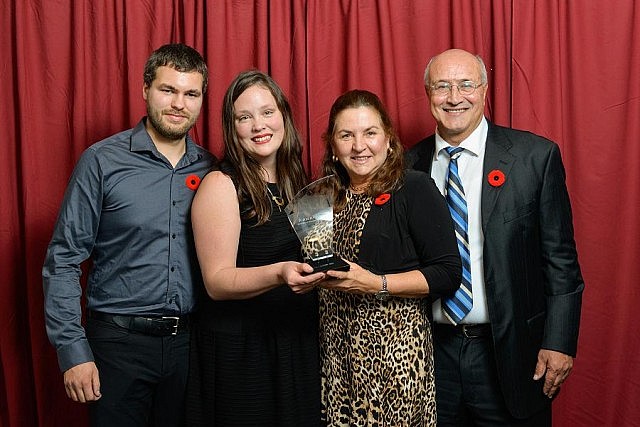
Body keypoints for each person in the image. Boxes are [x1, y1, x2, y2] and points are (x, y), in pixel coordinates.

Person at [407, 48, 584, 426]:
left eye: (466, 84)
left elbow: (562, 264)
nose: (455, 97)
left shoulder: (534, 157)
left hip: (510, 353)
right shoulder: (408, 167)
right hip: (431, 354)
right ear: (428, 95)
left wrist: (559, 342)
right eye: (442, 86)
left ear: (485, 91)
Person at [42, 43, 215, 427]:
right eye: (168, 90)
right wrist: (73, 351)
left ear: (202, 100)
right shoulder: (102, 161)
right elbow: (64, 258)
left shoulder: (212, 170)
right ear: (145, 90)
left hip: (191, 347)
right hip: (117, 345)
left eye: (191, 93)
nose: (178, 104)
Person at [186, 70, 325, 426]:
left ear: (283, 116)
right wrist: (280, 272)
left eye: (266, 112)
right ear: (232, 129)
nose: (258, 125)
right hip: (244, 353)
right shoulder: (220, 184)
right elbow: (216, 282)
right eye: (244, 117)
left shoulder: (297, 180)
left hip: (295, 343)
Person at [318, 89, 462, 425]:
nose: (359, 146)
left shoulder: (413, 188)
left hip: (394, 363)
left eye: (370, 133)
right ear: (334, 147)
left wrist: (375, 284)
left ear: (388, 140)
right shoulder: (322, 195)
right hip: (336, 359)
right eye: (346, 135)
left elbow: (447, 272)